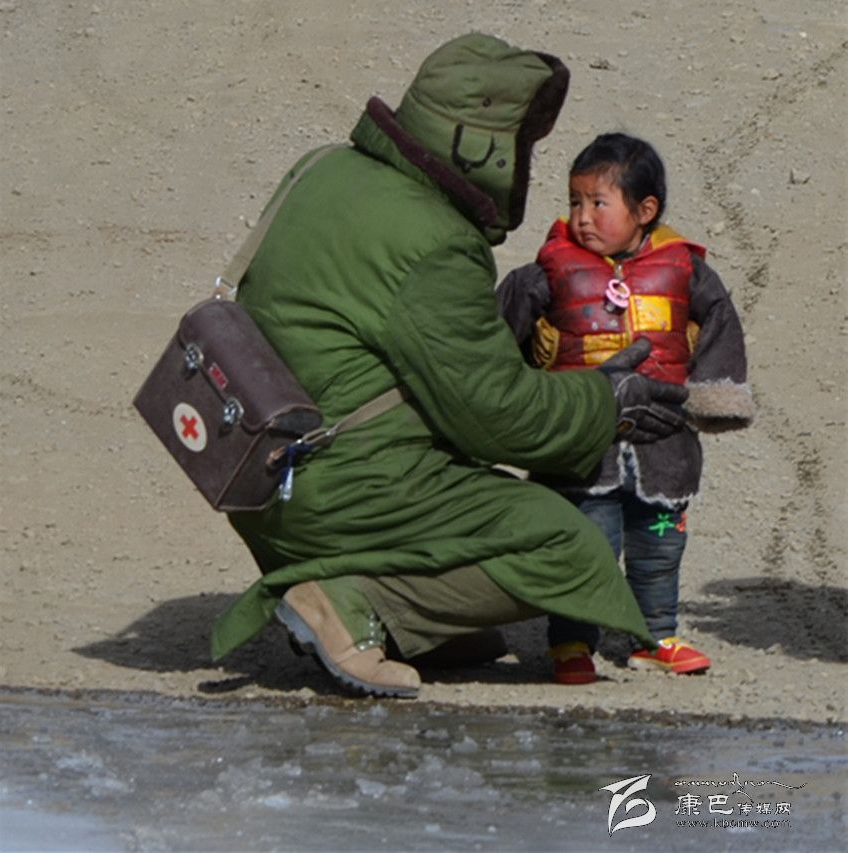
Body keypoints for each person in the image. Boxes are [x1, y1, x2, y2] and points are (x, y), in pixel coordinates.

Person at [209, 36, 691, 699]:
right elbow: (497, 416)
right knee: (571, 543)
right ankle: (355, 603)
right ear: (478, 143)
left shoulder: (322, 167)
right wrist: (606, 402)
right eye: (519, 145)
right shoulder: (433, 242)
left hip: (257, 467)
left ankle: (412, 615)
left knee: (460, 472)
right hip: (336, 489)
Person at [497, 132, 755, 685]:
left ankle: (654, 636)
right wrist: (508, 394)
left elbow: (720, 320)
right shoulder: (550, 270)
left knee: (660, 542)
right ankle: (571, 642)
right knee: (585, 544)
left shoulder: (684, 268)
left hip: (663, 442)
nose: (582, 217)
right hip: (580, 441)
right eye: (575, 201)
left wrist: (714, 397)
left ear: (645, 210)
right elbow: (500, 329)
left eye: (598, 203)